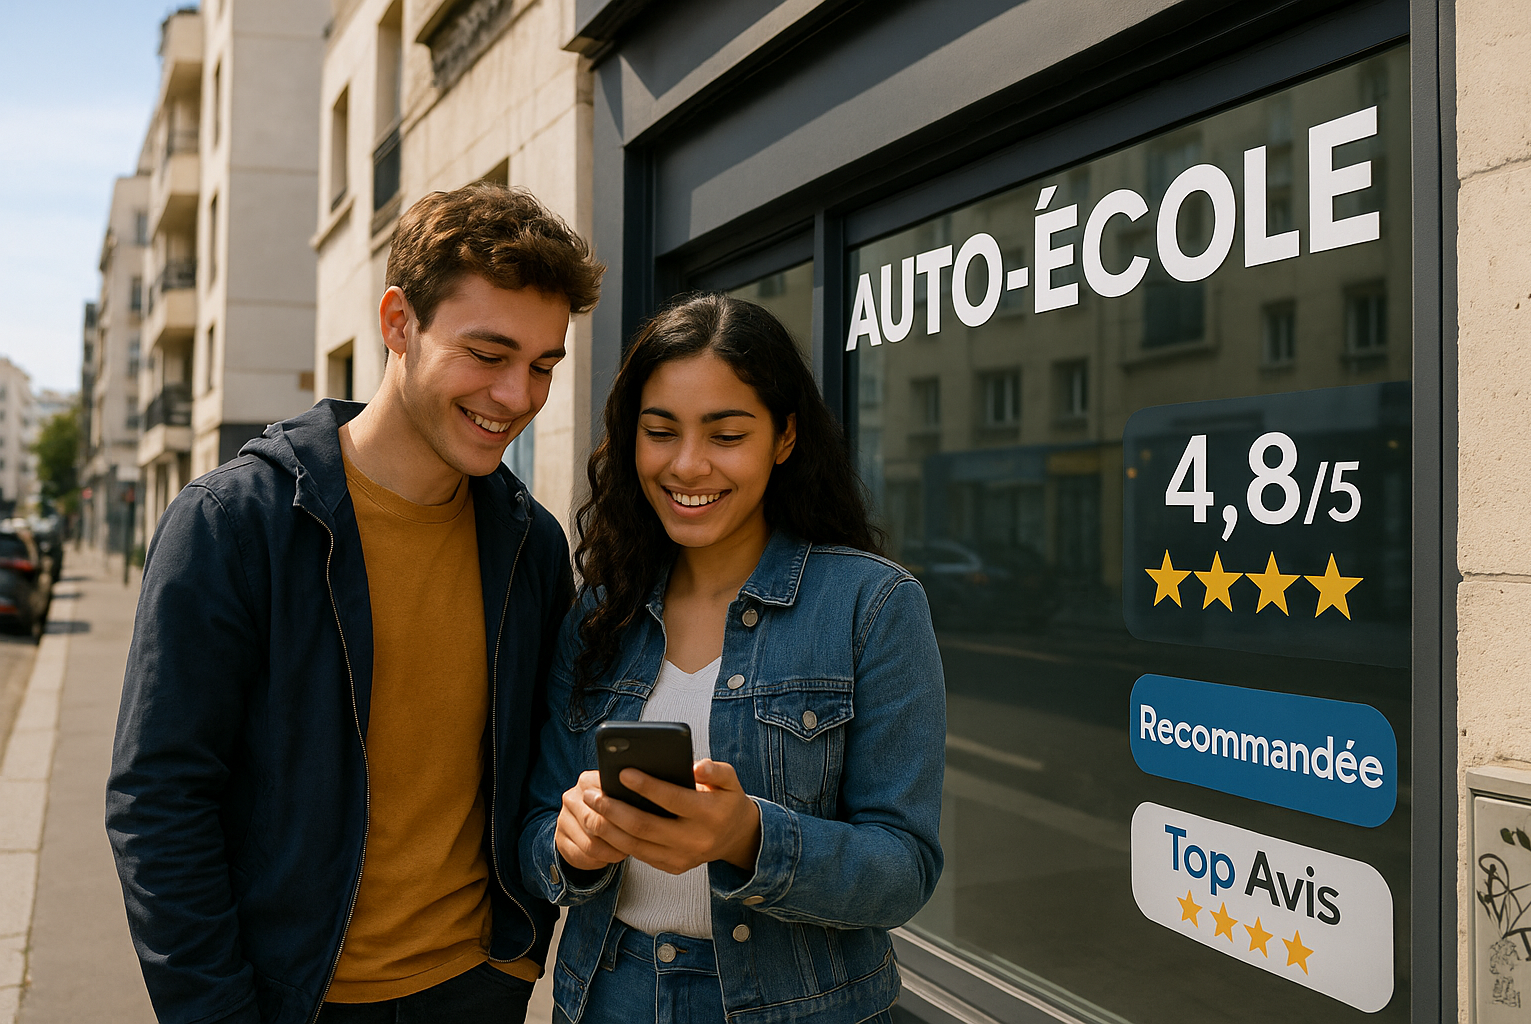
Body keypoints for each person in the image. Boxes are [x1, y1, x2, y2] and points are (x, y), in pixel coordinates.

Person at [106, 183, 603, 1024]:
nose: (518, 397)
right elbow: (158, 803)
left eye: (543, 365)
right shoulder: (237, 524)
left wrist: (518, 959)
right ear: (398, 323)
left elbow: (533, 774)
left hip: (480, 989)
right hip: (293, 1002)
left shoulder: (532, 545)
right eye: (488, 354)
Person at [520, 293, 946, 1024]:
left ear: (783, 438)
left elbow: (904, 868)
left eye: (726, 435)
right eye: (661, 432)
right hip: (605, 998)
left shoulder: (871, 606)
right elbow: (537, 826)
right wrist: (571, 843)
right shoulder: (598, 612)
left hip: (800, 1007)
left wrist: (749, 836)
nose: (688, 465)